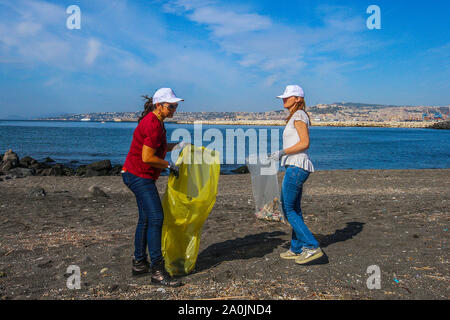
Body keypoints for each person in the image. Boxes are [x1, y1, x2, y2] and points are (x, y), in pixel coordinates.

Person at [121, 88, 188, 287]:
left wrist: (175, 146)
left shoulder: (156, 122)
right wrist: (169, 165)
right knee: (157, 217)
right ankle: (158, 271)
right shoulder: (152, 124)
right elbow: (147, 157)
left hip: (134, 173)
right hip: (138, 176)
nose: (174, 109)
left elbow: (156, 147)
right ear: (158, 105)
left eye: (176, 106)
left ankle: (140, 263)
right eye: (171, 106)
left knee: (146, 218)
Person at [268, 85, 325, 265]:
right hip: (295, 166)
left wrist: (281, 152)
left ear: (298, 99)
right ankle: (296, 248)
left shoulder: (299, 115)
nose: (284, 99)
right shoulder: (295, 116)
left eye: (288, 97)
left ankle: (311, 246)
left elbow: (305, 143)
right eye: (284, 97)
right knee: (294, 209)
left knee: (288, 209)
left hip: (297, 166)